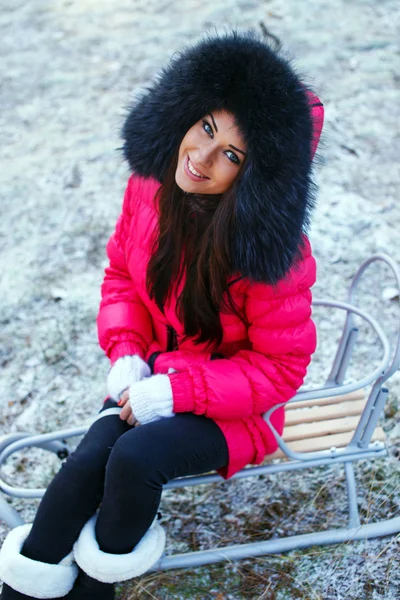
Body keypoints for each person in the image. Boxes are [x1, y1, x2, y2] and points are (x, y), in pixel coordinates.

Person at [0, 30, 324, 599]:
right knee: (85, 465)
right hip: (153, 374)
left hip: (238, 410)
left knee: (134, 459)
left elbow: (278, 371)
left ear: (256, 178)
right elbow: (121, 277)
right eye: (205, 128)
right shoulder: (149, 190)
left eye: (231, 154)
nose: (200, 158)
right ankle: (25, 587)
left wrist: (177, 394)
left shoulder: (272, 258)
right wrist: (126, 351)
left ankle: (95, 588)